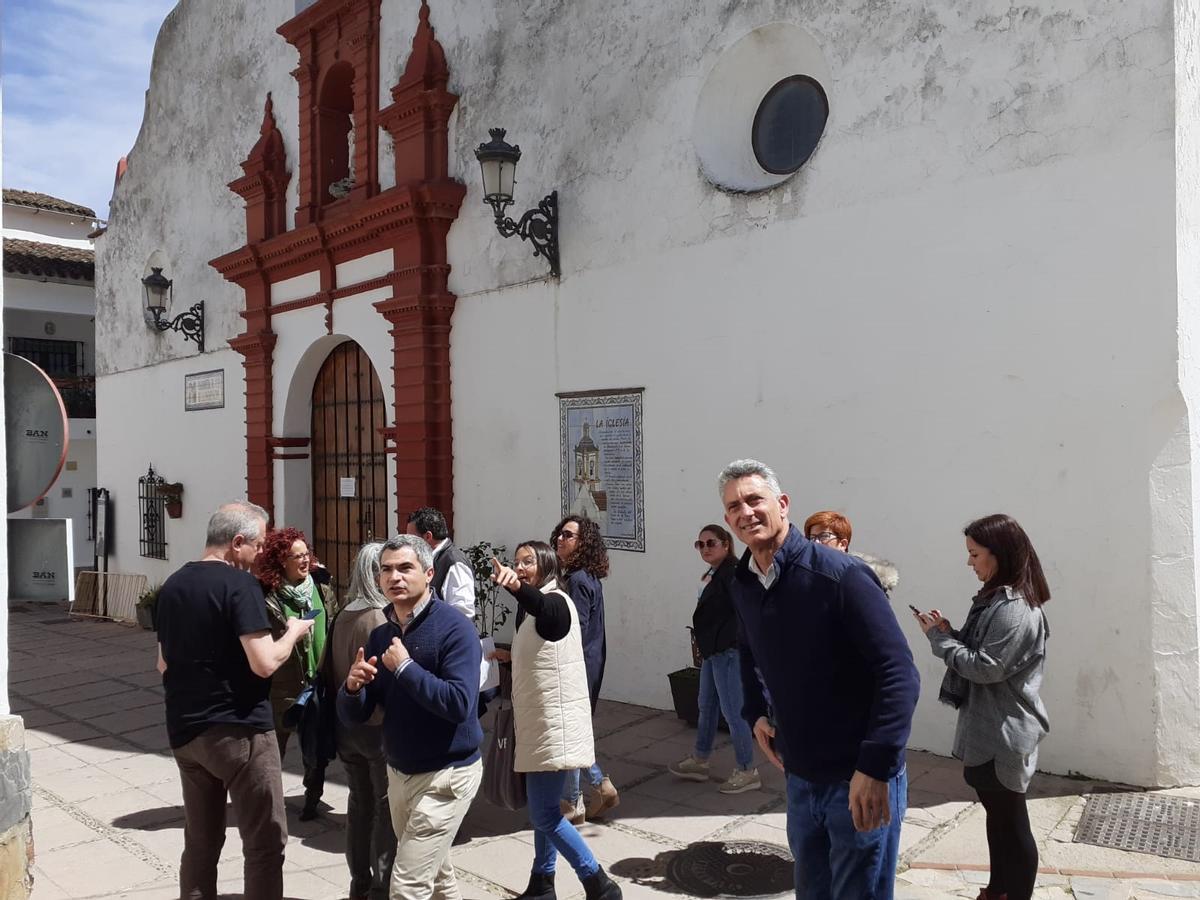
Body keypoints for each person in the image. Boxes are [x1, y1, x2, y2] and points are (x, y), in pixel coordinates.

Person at [719, 460, 919, 900]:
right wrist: (755, 713)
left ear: (783, 504)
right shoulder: (744, 582)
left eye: (755, 499)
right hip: (801, 778)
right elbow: (749, 650)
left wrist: (874, 766)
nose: (745, 512)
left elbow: (899, 672)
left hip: (859, 779)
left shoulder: (839, 576)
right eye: (734, 506)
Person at [155, 501, 314, 900]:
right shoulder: (240, 585)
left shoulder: (173, 584)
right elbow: (264, 664)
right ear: (237, 541)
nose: (263, 553)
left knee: (202, 842)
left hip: (186, 731)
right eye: (259, 545)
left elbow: (162, 664)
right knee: (265, 841)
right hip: (240, 731)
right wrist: (294, 632)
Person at [338, 533, 483, 900]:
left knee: (407, 887)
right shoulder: (382, 634)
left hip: (447, 775)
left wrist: (405, 668)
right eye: (386, 569)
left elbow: (459, 703)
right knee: (437, 881)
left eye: (405, 568)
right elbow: (358, 714)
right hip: (400, 772)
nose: (394, 577)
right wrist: (352, 690)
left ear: (429, 572)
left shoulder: (455, 629)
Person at [913, 514, 1051, 900]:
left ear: (1000, 554)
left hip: (1004, 731)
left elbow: (986, 668)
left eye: (975, 554)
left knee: (1012, 822)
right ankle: (998, 891)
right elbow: (981, 653)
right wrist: (948, 634)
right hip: (989, 727)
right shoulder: (996, 601)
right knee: (999, 818)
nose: (969, 562)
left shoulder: (1014, 608)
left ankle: (1015, 894)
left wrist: (940, 644)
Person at [487, 542, 623, 900]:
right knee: (543, 809)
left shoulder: (557, 602)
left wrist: (516, 586)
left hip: (552, 728)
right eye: (517, 563)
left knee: (546, 814)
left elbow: (549, 614)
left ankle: (599, 883)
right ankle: (542, 883)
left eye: (528, 561)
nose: (520, 567)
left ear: (546, 565)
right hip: (538, 726)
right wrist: (507, 656)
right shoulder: (531, 611)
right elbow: (544, 654)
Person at [323, 542, 396, 900]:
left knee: (358, 803)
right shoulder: (378, 618)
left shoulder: (342, 613)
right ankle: (381, 885)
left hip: (345, 724)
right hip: (375, 726)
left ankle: (359, 882)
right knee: (384, 808)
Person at [668, 524, 760, 793]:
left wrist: (732, 641)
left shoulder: (732, 574)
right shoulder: (715, 573)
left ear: (726, 544)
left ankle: (747, 769)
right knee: (706, 704)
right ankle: (700, 759)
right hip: (713, 651)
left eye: (711, 543)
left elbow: (745, 610)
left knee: (734, 711)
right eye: (701, 544)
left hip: (727, 651)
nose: (705, 548)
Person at [256, 527, 336, 821]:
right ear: (281, 561)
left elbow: (333, 626)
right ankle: (268, 802)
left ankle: (312, 798)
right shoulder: (268, 598)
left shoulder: (322, 589)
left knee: (314, 751)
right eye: (296, 556)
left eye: (307, 555)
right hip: (282, 686)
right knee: (271, 751)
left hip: (318, 682)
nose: (305, 561)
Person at [551, 515, 619, 823]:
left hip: (577, 665)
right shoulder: (585, 576)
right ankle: (598, 786)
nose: (561, 540)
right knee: (575, 731)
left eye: (569, 535)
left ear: (584, 543)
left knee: (569, 732)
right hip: (589, 661)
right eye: (560, 534)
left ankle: (571, 802)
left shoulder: (577, 580)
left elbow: (574, 629)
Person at [804, 510, 900, 595]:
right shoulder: (806, 574)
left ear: (843, 544)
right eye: (812, 538)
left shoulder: (857, 579)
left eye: (824, 536)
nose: (816, 542)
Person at [407, 506, 476, 619]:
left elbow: (462, 613)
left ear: (428, 536)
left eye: (412, 539)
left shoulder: (453, 562)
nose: (409, 544)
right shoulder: (430, 559)